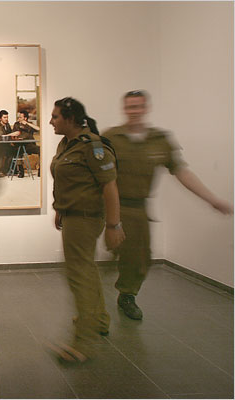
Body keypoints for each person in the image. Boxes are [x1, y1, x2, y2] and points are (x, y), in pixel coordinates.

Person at [102, 90, 233, 320]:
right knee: (123, 251)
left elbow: (181, 172)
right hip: (113, 204)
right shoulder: (111, 137)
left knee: (141, 258)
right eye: (130, 107)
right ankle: (114, 274)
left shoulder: (160, 140)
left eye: (138, 106)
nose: (134, 111)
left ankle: (127, 294)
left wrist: (211, 199)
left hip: (139, 208)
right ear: (124, 109)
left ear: (146, 108)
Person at [48, 96, 125, 363]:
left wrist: (114, 225)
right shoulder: (67, 143)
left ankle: (83, 342)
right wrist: (60, 208)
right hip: (72, 216)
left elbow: (109, 186)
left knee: (79, 276)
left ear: (70, 119)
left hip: (85, 219)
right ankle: (99, 319)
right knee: (87, 270)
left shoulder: (92, 147)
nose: (51, 121)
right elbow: (69, 181)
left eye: (55, 116)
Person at [11, 110, 40, 178]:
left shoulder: (30, 124)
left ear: (25, 118)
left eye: (20, 117)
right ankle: (21, 171)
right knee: (17, 151)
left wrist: (27, 123)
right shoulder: (16, 124)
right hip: (19, 145)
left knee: (41, 150)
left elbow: (38, 129)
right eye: (19, 117)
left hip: (29, 145)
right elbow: (14, 133)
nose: (19, 119)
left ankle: (40, 169)